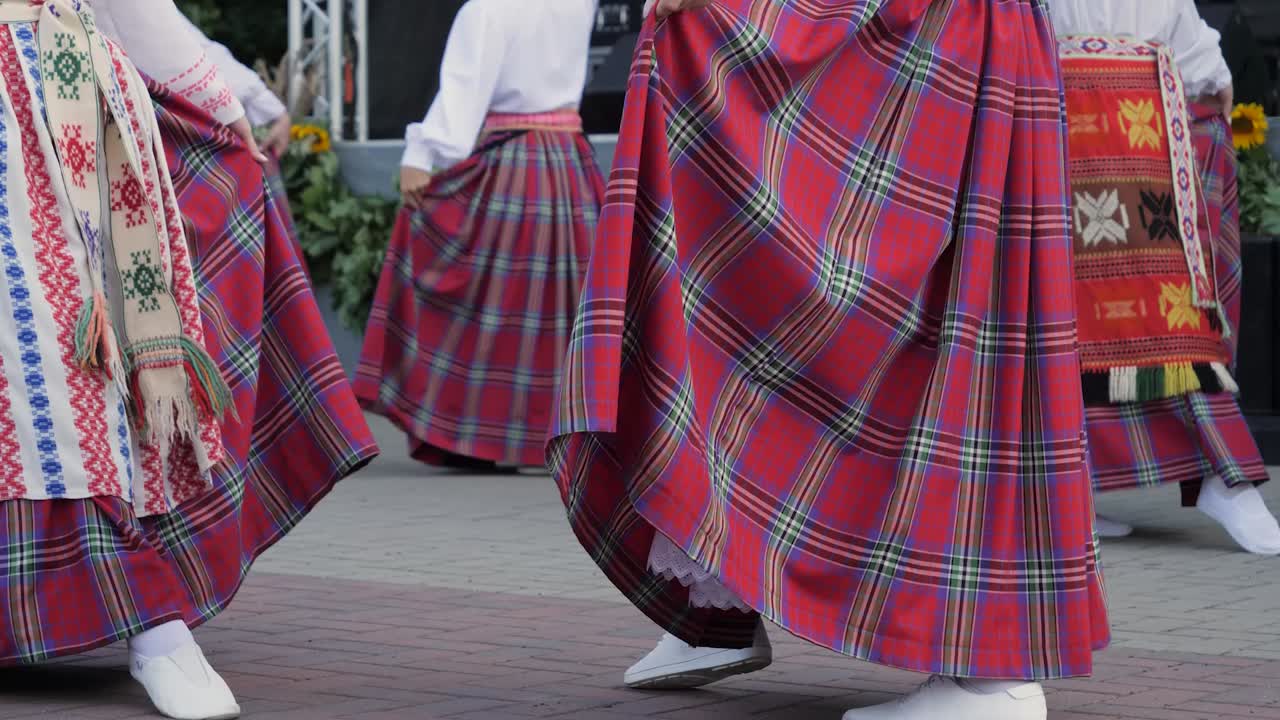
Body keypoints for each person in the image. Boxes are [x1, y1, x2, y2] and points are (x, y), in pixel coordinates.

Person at [547, 0, 1109, 718]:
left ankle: (990, 677)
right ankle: (720, 595)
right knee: (756, 306)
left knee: (956, 342)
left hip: (947, 40)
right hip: (958, 42)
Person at [0, 3, 378, 720]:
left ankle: (153, 625)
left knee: (67, 361)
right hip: (47, 89)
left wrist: (214, 98)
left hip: (56, 89)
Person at [1050, 0, 1280, 555]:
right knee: (1068, 318)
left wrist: (1211, 72)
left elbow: (1172, 15)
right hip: (1062, 123)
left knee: (1169, 306)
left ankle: (1222, 476)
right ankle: (1074, 490)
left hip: (1146, 127)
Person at [356, 0, 605, 472]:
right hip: (571, 166)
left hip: (511, 166)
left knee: (497, 309)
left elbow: (464, 92)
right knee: (566, 311)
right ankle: (570, 435)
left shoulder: (488, 8)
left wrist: (421, 152)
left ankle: (482, 434)